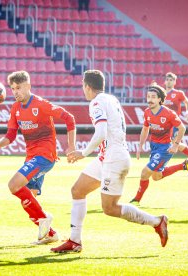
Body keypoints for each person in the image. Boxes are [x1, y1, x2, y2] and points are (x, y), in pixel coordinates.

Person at [50, 70, 169, 253]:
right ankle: (75, 241)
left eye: (83, 86)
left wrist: (84, 152)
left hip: (114, 159)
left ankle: (157, 221)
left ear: (88, 86)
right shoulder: (111, 99)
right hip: (108, 156)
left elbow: (101, 133)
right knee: (78, 190)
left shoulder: (96, 102)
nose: (83, 89)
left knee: (110, 208)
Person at [0, 71, 76, 244]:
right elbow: (11, 135)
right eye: (12, 89)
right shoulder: (15, 108)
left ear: (28, 86)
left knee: (13, 185)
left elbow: (69, 118)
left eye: (18, 88)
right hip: (31, 158)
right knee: (28, 200)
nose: (15, 92)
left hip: (45, 156)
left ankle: (45, 218)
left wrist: (71, 146)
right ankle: (50, 234)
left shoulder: (40, 104)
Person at [129, 82, 188, 206]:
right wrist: (140, 146)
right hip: (154, 147)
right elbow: (145, 129)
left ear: (160, 99)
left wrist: (175, 145)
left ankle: (136, 200)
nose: (150, 99)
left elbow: (182, 128)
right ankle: (183, 166)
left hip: (165, 148)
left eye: (153, 97)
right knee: (156, 177)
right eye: (148, 97)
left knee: (145, 173)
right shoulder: (147, 112)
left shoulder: (169, 113)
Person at [163, 72, 188, 169]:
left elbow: (187, 102)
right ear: (164, 81)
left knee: (170, 144)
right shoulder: (161, 93)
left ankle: (162, 164)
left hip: (174, 123)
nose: (169, 82)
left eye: (171, 80)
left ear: (175, 82)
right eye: (167, 79)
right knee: (175, 144)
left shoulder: (178, 93)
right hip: (164, 124)